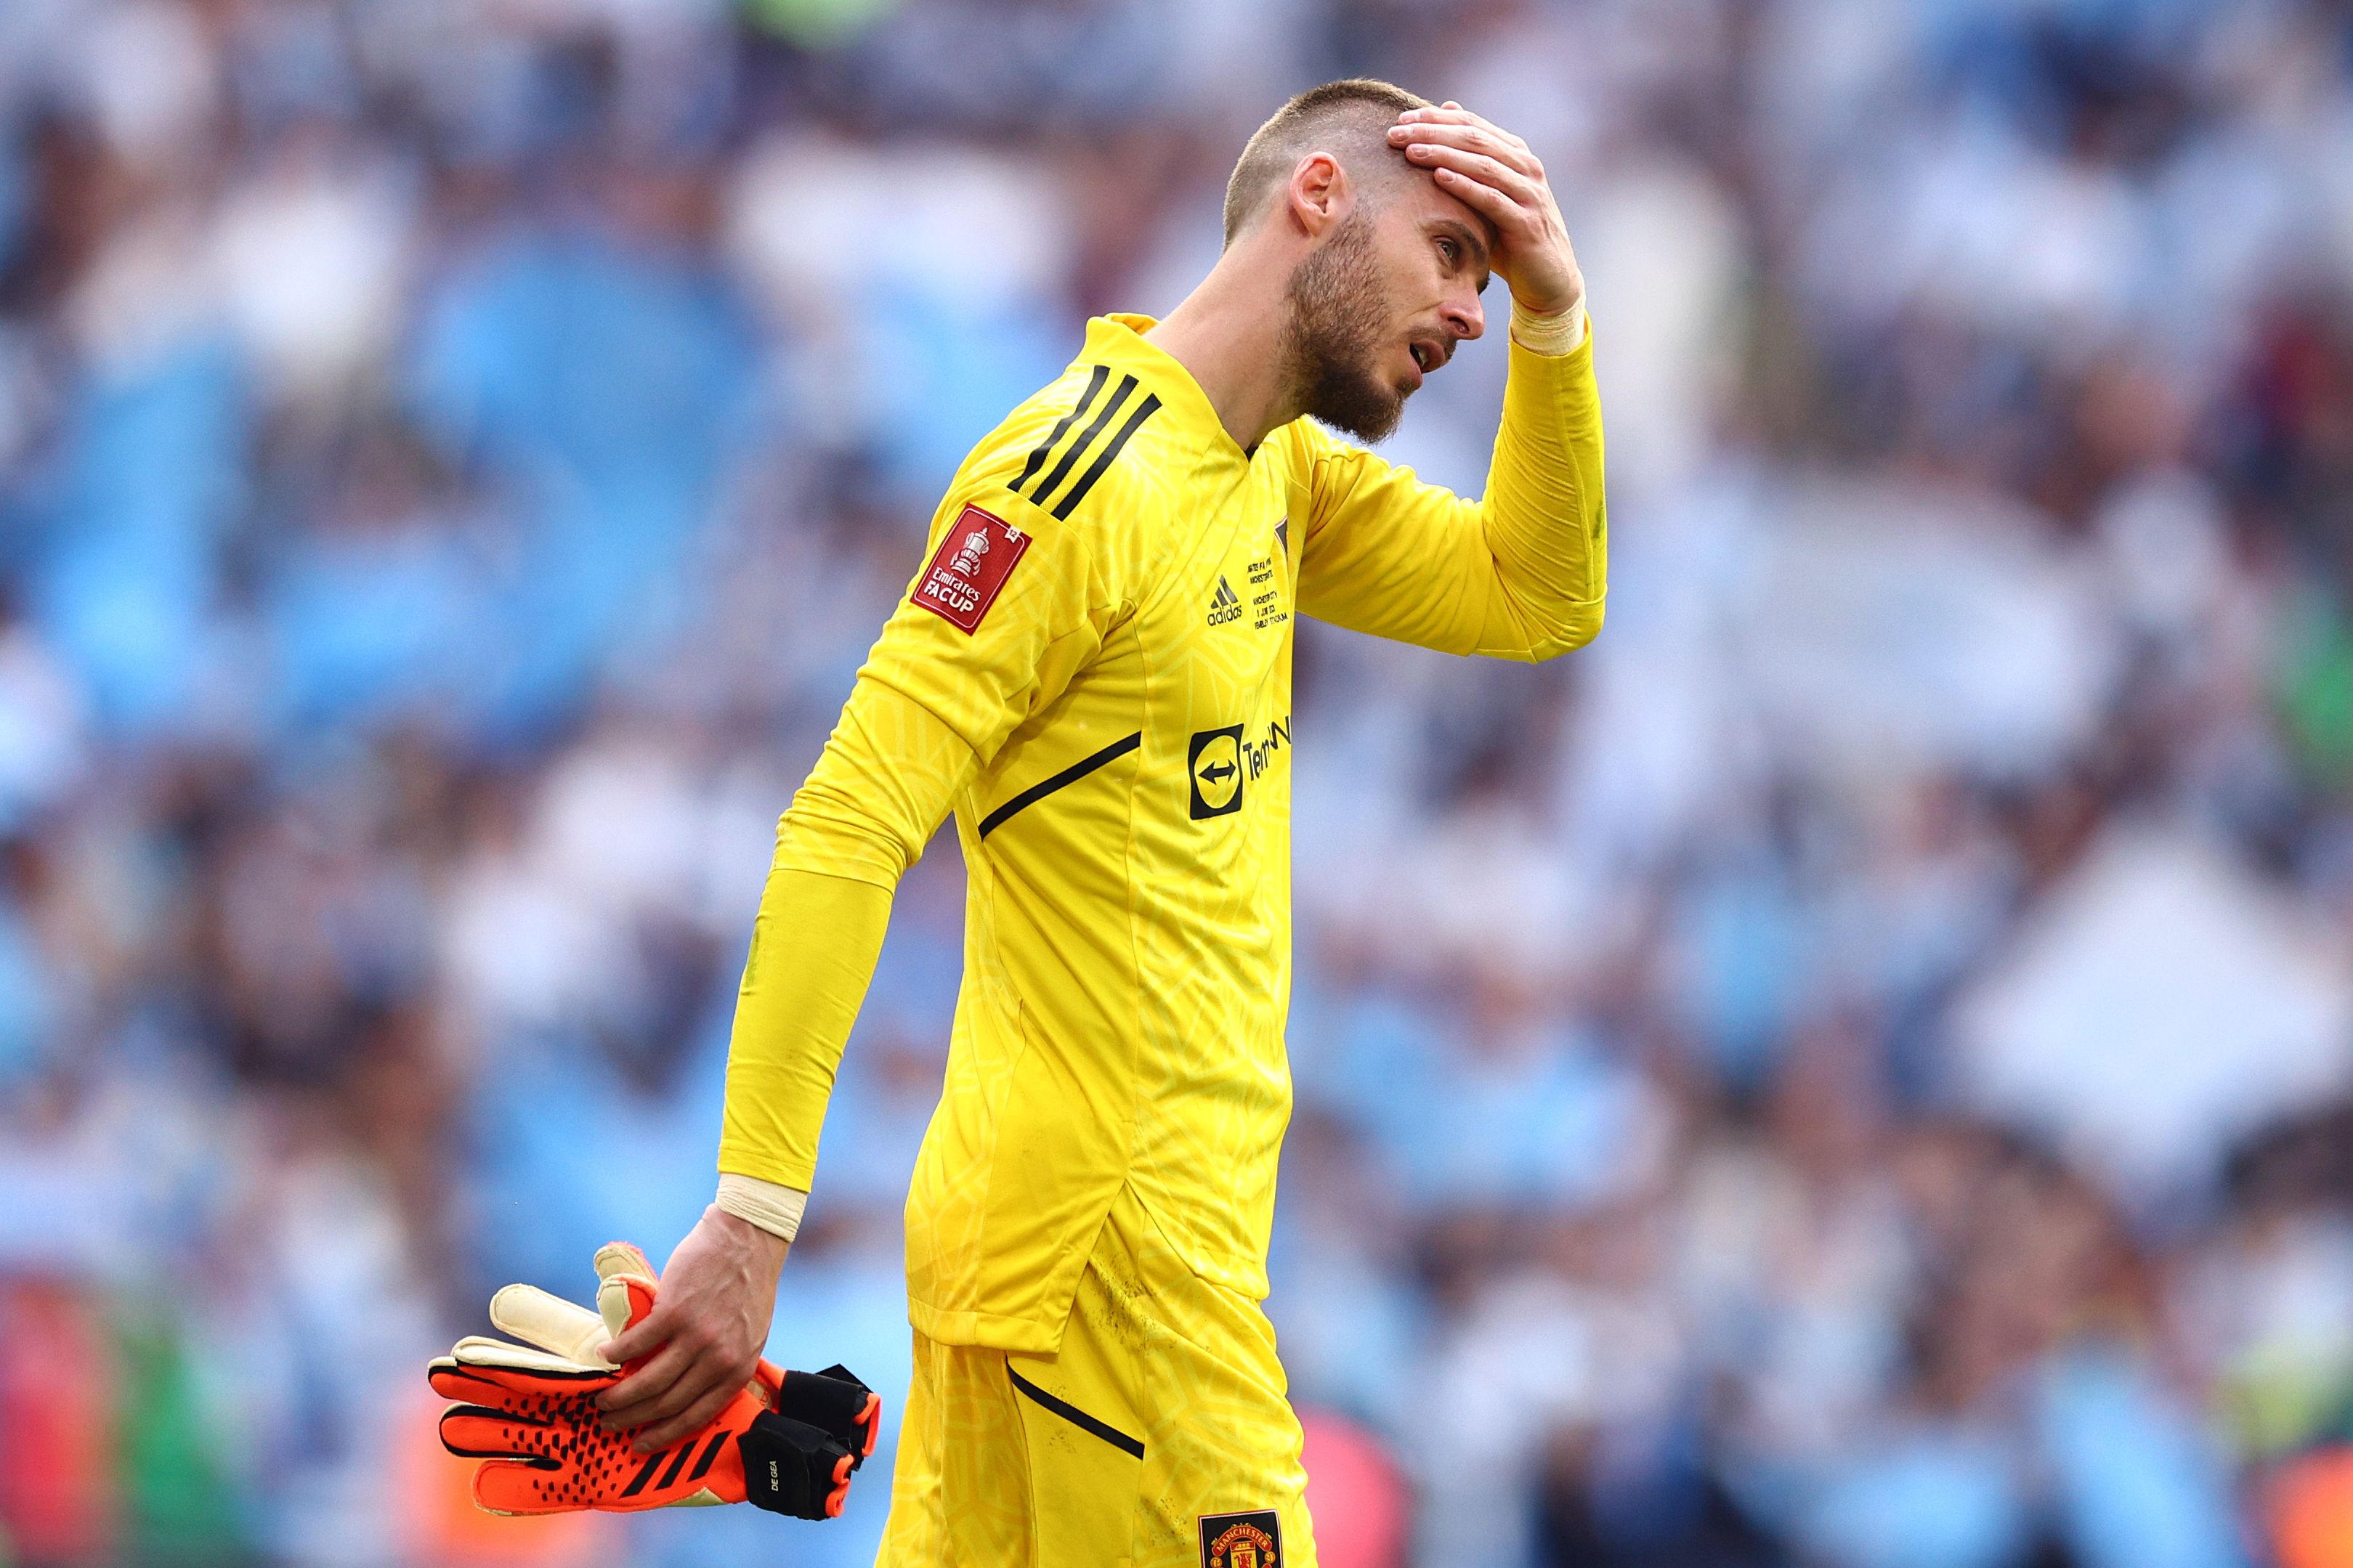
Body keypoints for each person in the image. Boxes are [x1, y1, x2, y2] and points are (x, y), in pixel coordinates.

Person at [593, 76, 1607, 1566]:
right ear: (1317, 199)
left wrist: (1557, 320)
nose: (1474, 305)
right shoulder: (1072, 481)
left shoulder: (1273, 474)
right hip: (1117, 1273)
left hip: (1076, 1257)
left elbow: (1542, 593)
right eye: (1456, 251)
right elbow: (849, 820)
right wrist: (750, 1221)